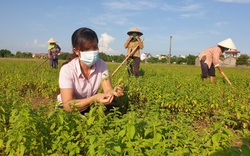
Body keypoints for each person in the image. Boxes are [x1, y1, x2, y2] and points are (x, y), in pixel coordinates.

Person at [57, 27, 124, 114]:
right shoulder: (67, 69)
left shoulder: (101, 65)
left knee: (113, 108)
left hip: (90, 105)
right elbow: (67, 105)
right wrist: (94, 98)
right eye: (87, 48)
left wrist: (113, 91)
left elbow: (107, 89)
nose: (92, 52)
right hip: (71, 108)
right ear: (76, 51)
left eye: (95, 47)